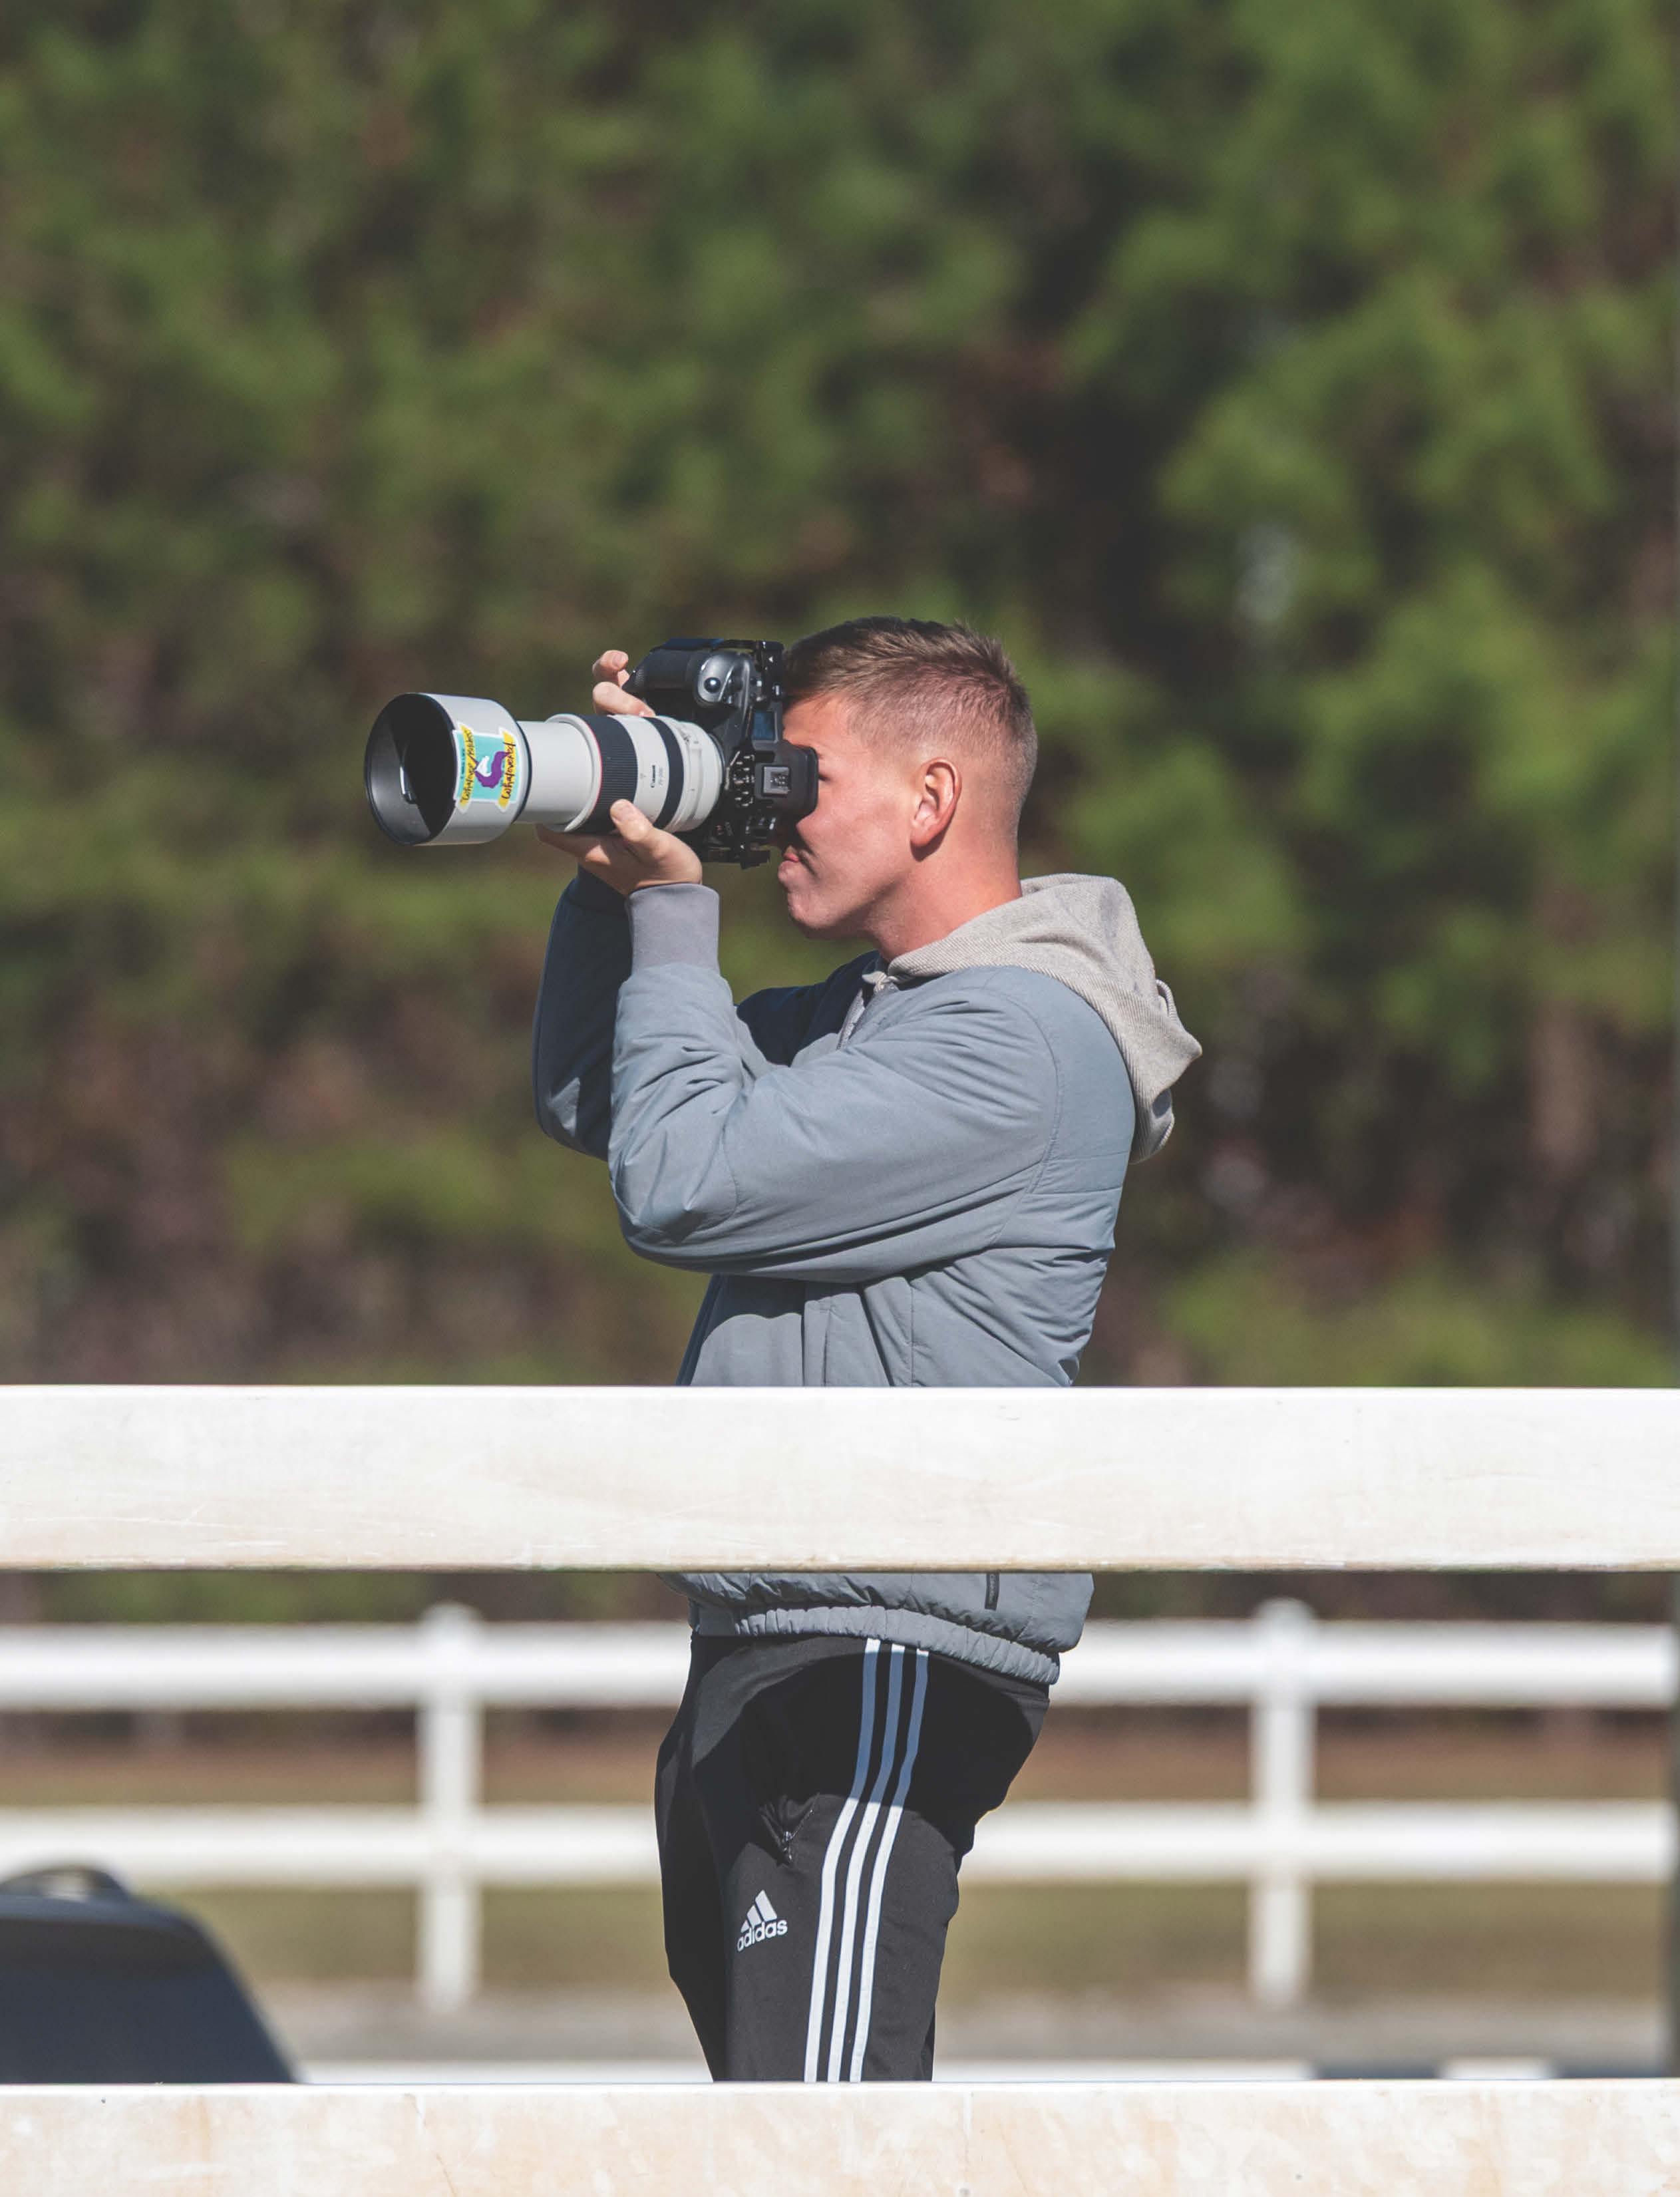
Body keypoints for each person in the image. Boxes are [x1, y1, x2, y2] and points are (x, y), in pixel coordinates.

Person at [532, 616, 1199, 2081]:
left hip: (880, 1646)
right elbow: (607, 1097)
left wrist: (677, 908)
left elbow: (682, 1178)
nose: (773, 807)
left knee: (822, 2138)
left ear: (933, 799)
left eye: (803, 774)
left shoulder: (1019, 1042)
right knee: (783, 2104)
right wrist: (611, 879)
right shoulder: (864, 1020)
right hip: (775, 1631)